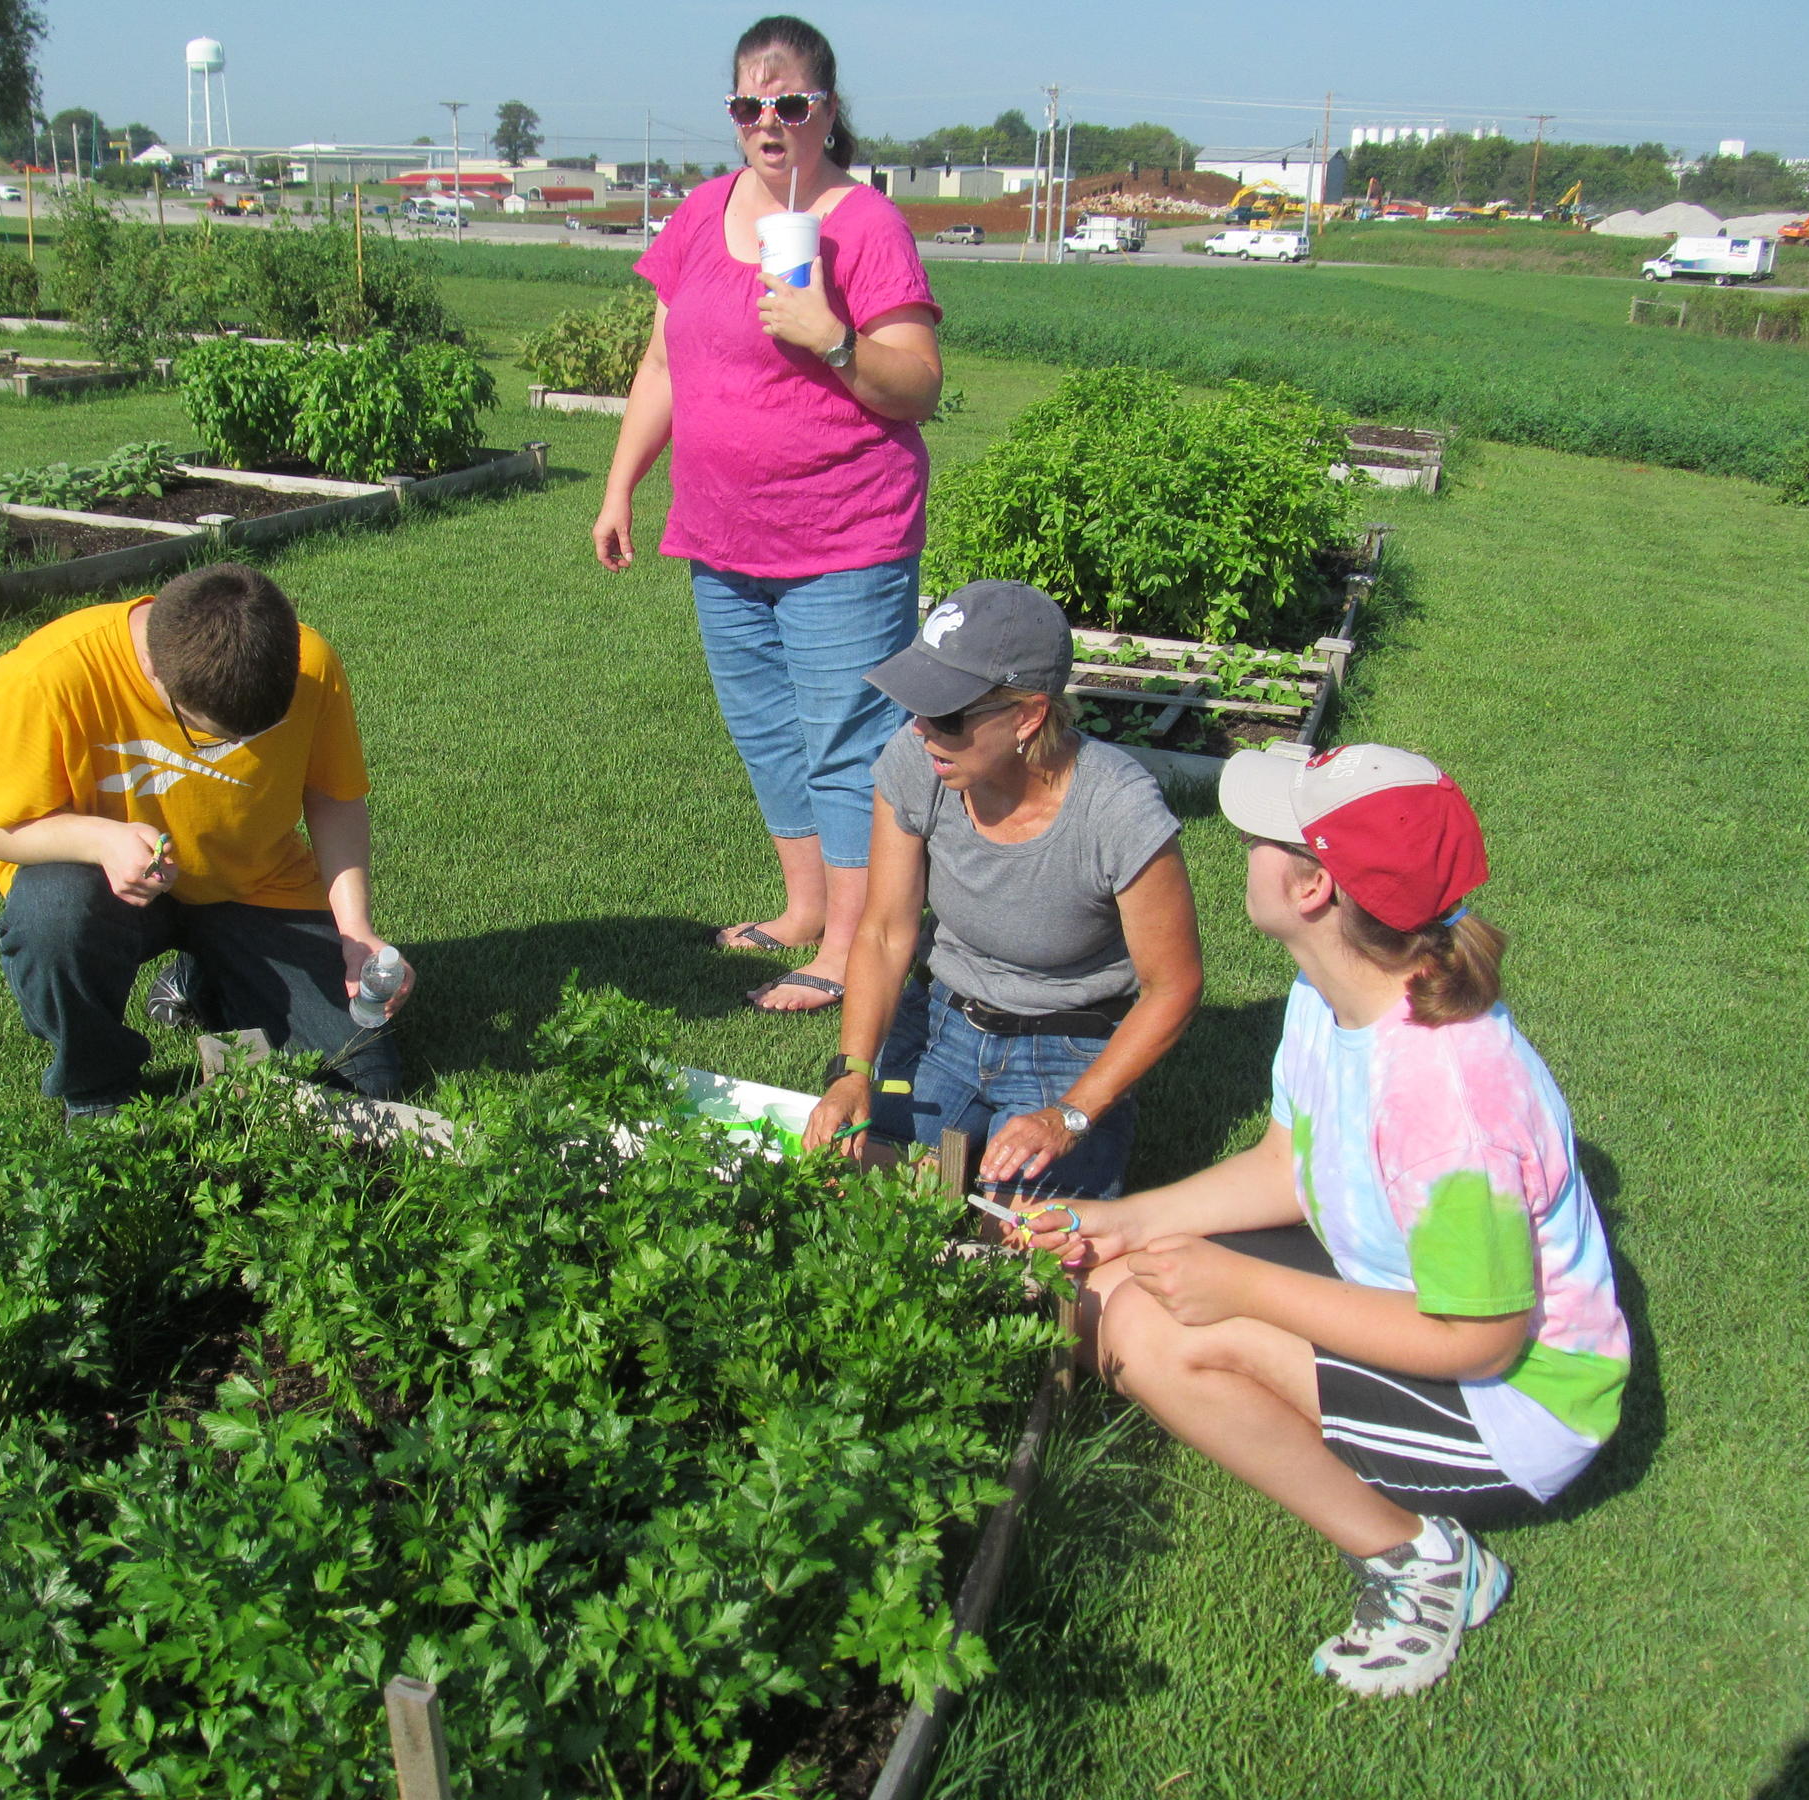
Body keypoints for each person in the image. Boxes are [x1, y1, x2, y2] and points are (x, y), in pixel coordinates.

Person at [1018, 744, 1630, 1696]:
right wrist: (1124, 1221)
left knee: (1143, 1328)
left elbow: (1483, 1335)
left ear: (1312, 889)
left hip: (1516, 1407)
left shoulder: (1447, 1100)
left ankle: (1422, 1563)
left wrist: (1246, 1288)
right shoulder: (1334, 991)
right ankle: (1397, 1529)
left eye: (1263, 836)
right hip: (1411, 1300)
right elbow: (1287, 1167)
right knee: (1109, 1285)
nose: (1244, 847)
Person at [595, 14, 944, 1014]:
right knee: (766, 732)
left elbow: (916, 383)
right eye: (749, 105)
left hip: (844, 535)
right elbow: (664, 360)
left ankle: (847, 945)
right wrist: (622, 483)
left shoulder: (865, 225)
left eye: (789, 103)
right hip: (721, 533)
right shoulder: (701, 213)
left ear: (828, 110)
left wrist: (833, 337)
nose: (769, 122)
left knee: (846, 738)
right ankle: (800, 910)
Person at [0, 562, 409, 1120]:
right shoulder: (46, 675)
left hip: (252, 885)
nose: (241, 747)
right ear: (153, 671)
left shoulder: (309, 661)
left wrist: (354, 929)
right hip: (103, 893)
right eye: (214, 737)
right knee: (52, 915)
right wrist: (99, 839)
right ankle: (97, 1088)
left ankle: (202, 981)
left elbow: (332, 796)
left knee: (363, 1085)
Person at [803, 581, 1203, 1199]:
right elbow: (885, 932)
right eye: (916, 707)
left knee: (1026, 1241)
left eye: (947, 716)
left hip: (1071, 1041)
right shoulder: (918, 764)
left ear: (1027, 715)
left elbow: (1173, 985)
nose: (920, 731)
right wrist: (852, 1070)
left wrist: (1071, 1113)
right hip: (945, 1019)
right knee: (856, 1185)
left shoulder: (1118, 808)